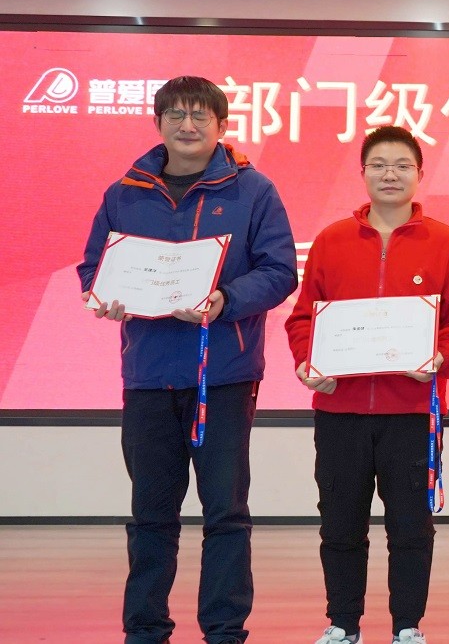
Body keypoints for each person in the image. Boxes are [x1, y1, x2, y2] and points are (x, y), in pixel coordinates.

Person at [78, 75, 298, 644]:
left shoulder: (254, 191)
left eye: (200, 115)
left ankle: (224, 631)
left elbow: (280, 272)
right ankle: (145, 629)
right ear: (158, 124)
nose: (187, 125)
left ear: (221, 125)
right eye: (175, 114)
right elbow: (93, 268)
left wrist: (226, 299)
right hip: (148, 377)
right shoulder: (124, 193)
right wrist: (105, 295)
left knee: (226, 514)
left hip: (223, 377)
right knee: (151, 514)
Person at [285, 126, 449, 644]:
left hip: (413, 411)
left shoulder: (444, 242)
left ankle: (407, 627)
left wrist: (441, 359)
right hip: (340, 411)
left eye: (401, 165)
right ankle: (342, 624)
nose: (389, 174)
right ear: (363, 173)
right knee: (340, 524)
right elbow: (303, 318)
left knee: (411, 528)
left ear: (419, 174)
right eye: (378, 164)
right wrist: (309, 362)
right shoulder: (331, 240)